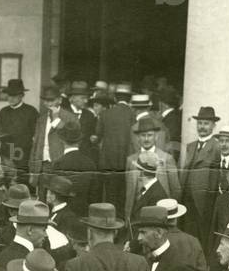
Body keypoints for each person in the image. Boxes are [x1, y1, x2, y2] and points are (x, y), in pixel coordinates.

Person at [124, 115, 180, 221]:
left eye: (149, 135)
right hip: (136, 215)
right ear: (138, 138)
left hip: (159, 215)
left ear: (156, 137)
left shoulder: (166, 158)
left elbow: (175, 190)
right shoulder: (131, 160)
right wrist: (127, 216)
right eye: (143, 135)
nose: (146, 139)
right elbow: (129, 191)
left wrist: (169, 214)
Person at [179, 106, 221, 247]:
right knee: (185, 234)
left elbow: (216, 179)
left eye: (206, 124)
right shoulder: (191, 146)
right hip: (186, 199)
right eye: (200, 123)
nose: (202, 127)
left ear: (213, 126)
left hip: (203, 203)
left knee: (200, 238)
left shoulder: (216, 147)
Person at [98, 83, 134, 216]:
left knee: (110, 197)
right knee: (124, 197)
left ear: (115, 97)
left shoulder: (105, 114)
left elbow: (98, 135)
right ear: (129, 98)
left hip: (108, 163)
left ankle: (109, 225)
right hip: (126, 163)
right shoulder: (132, 114)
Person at [50, 119, 95, 218]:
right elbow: (94, 194)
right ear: (79, 141)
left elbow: (54, 194)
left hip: (63, 214)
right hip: (84, 213)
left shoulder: (58, 164)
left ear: (61, 140)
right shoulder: (90, 163)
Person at [29, 84, 69, 187]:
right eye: (46, 100)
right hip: (42, 166)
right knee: (42, 199)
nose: (48, 103)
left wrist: (56, 119)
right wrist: (33, 170)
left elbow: (71, 139)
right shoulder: (41, 120)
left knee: (57, 198)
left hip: (59, 165)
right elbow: (35, 146)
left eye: (51, 100)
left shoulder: (69, 118)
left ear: (60, 100)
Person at [0, 77, 38, 180]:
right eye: (9, 95)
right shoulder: (3, 112)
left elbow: (36, 135)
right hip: (6, 154)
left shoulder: (31, 111)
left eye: (14, 96)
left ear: (21, 96)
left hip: (23, 155)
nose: (10, 98)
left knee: (22, 182)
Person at [0, 199, 50, 267]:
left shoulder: (3, 255)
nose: (46, 235)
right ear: (29, 230)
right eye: (44, 230)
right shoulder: (28, 261)